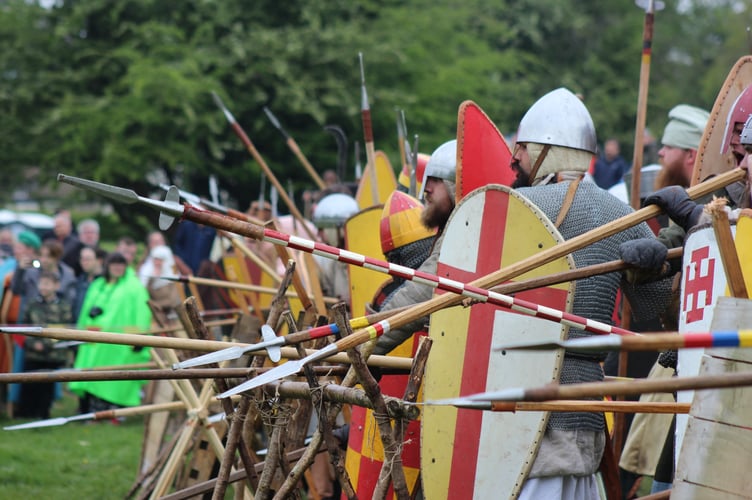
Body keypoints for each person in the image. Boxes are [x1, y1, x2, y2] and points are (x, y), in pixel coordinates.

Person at [510, 87, 672, 499]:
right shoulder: (620, 216)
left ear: (548, 151)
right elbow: (662, 311)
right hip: (582, 413)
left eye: (524, 149)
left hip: (516, 412)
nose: (516, 159)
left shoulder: (513, 206)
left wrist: (658, 261)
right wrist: (656, 272)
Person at [371, 139, 457, 356]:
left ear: (456, 185)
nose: (426, 188)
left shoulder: (463, 234)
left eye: (437, 180)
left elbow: (418, 295)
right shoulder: (450, 230)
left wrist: (359, 346)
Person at [69, 252, 153, 414]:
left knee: (112, 378)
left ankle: (112, 412)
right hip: (93, 341)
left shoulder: (134, 287)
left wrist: (140, 337)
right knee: (89, 373)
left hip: (118, 343)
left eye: (120, 265)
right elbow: (86, 307)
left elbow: (142, 313)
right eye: (114, 265)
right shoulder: (98, 284)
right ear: (107, 266)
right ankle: (86, 410)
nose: (117, 268)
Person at [16, 270, 73, 419]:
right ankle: (25, 414)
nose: (44, 287)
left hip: (52, 355)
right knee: (28, 384)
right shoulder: (32, 304)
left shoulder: (63, 307)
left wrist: (46, 345)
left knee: (46, 388)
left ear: (56, 286)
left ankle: (43, 415)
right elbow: (24, 327)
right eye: (41, 283)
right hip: (32, 353)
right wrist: (33, 343)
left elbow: (64, 330)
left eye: (47, 284)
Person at [10, 239, 76, 322]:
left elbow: (70, 303)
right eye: (41, 255)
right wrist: (20, 271)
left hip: (57, 326)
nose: (44, 260)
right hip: (31, 324)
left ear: (57, 257)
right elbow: (16, 290)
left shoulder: (67, 276)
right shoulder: (31, 272)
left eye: (49, 256)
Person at [312, 191, 360, 304]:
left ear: (337, 229)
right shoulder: (332, 262)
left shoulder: (365, 257)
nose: (318, 235)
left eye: (321, 229)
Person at [72, 245, 106, 322]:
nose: (84, 262)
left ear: (99, 261)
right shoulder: (79, 280)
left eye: (87, 259)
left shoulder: (107, 282)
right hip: (79, 327)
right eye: (82, 259)